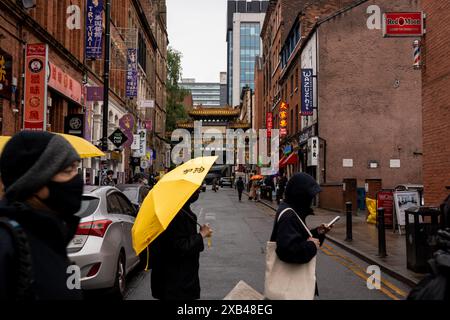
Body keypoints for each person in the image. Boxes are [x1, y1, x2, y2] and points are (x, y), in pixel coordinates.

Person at [0, 131, 84, 300]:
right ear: (35, 184)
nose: (77, 179)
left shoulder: (52, 234)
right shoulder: (6, 242)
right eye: (68, 171)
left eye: (76, 169)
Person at [269, 173, 332, 297]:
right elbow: (288, 250)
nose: (311, 200)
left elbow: (299, 237)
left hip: (293, 288)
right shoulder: (289, 215)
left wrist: (317, 233)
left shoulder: (292, 210)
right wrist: (312, 246)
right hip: (292, 291)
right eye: (309, 196)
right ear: (301, 195)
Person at [150, 189, 213, 300]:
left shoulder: (183, 211)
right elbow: (180, 246)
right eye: (194, 190)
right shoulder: (174, 215)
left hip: (178, 279)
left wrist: (199, 234)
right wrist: (201, 235)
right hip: (175, 282)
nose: (198, 191)